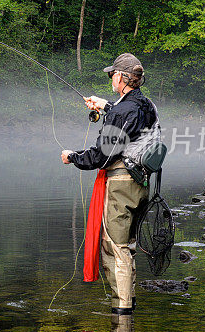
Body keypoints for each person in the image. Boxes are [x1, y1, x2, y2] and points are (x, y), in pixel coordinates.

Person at [60, 53, 157, 315]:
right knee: (128, 244)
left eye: (112, 74)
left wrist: (73, 157)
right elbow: (128, 121)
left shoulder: (125, 110)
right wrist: (106, 108)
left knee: (115, 247)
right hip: (142, 184)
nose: (110, 78)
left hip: (121, 184)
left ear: (121, 77)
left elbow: (104, 153)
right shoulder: (147, 106)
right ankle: (128, 304)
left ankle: (122, 314)